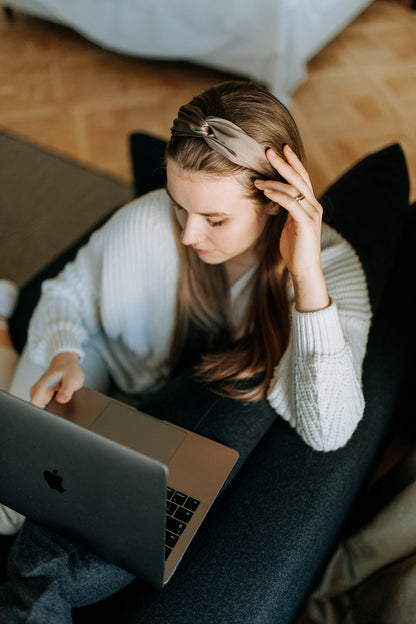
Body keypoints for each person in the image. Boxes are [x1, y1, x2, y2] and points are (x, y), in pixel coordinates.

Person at [0, 80, 371, 623]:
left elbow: (330, 428)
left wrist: (307, 276)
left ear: (274, 205)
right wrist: (64, 353)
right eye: (180, 207)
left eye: (215, 220)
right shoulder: (146, 223)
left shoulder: (330, 269)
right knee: (10, 503)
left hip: (162, 404)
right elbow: (68, 294)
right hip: (102, 367)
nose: (189, 234)